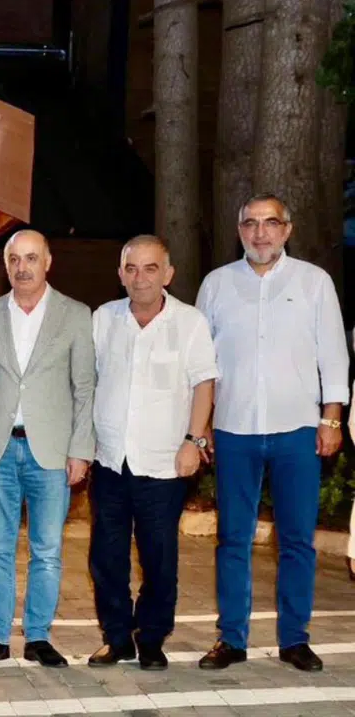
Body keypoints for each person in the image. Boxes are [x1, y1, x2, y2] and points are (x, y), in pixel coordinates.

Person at [195, 193, 348, 672]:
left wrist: (332, 418)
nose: (260, 233)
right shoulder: (217, 285)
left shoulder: (314, 282)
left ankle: (295, 639)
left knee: (297, 540)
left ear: (287, 229)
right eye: (250, 224)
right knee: (232, 539)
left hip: (297, 430)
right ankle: (231, 639)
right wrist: (200, 426)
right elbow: (200, 363)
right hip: (233, 429)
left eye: (270, 223)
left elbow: (334, 354)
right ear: (239, 230)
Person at [0, 229, 94, 668]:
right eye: (15, 259)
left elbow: (84, 388)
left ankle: (38, 637)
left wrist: (81, 450)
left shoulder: (75, 315)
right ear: (6, 265)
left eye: (31, 258)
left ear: (47, 262)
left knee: (47, 552)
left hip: (51, 453)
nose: (23, 267)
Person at [86, 235, 217, 671]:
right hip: (110, 460)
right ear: (120, 274)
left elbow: (203, 384)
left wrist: (194, 441)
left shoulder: (190, 322)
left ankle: (152, 637)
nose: (140, 278)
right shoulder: (103, 319)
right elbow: (87, 382)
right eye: (131, 268)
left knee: (159, 558)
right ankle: (117, 638)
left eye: (150, 268)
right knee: (106, 557)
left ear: (168, 274)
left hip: (164, 463)